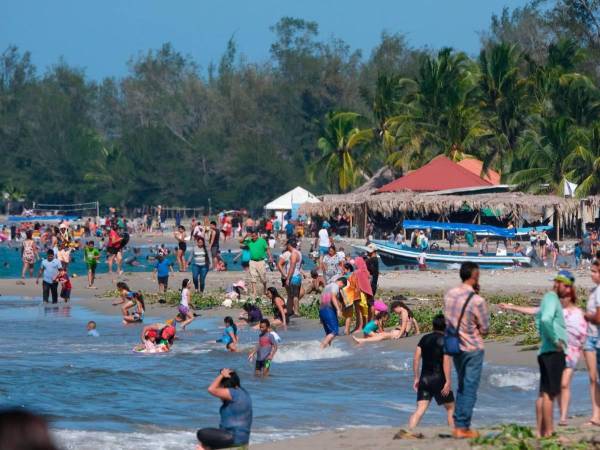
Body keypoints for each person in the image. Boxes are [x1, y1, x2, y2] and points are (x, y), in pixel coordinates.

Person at [499, 270, 571, 438]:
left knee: (543, 393)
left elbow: (534, 311)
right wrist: (556, 341)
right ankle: (549, 431)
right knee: (549, 394)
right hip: (552, 351)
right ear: (559, 283)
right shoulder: (552, 299)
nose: (567, 290)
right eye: (566, 286)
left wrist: (512, 307)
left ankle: (540, 431)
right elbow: (545, 319)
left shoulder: (548, 300)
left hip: (544, 352)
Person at [443, 262, 489, 439]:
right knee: (469, 388)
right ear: (475, 276)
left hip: (455, 346)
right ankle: (462, 426)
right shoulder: (477, 300)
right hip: (472, 347)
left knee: (462, 384)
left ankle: (458, 423)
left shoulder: (450, 295)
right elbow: (485, 328)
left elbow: (449, 320)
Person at [407, 314, 455, 431]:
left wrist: (416, 378)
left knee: (420, 409)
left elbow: (416, 359)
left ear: (433, 325)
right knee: (451, 408)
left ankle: (409, 432)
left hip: (424, 380)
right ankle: (455, 433)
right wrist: (448, 381)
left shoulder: (424, 339)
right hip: (439, 379)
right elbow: (446, 361)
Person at [196, 368, 252, 450]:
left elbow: (211, 389)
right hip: (242, 440)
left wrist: (221, 375)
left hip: (233, 438)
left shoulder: (233, 392)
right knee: (209, 441)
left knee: (202, 433)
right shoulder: (243, 393)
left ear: (225, 385)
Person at [584, 259, 600, 426]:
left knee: (595, 378)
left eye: (595, 272)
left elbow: (598, 317)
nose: (592, 274)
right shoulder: (594, 290)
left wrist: (586, 315)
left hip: (596, 337)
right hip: (590, 336)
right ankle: (596, 415)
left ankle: (597, 415)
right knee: (593, 377)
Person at [240, 229, 273, 297]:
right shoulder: (249, 241)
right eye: (252, 236)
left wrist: (270, 257)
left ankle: (264, 290)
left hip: (261, 261)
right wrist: (246, 235)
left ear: (257, 235)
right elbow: (241, 241)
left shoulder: (262, 241)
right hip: (252, 261)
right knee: (253, 276)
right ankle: (254, 292)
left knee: (263, 278)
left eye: (255, 236)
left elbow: (267, 249)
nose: (254, 238)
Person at [319, 278, 345, 348]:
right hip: (328, 310)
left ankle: (327, 349)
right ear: (341, 283)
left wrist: (321, 317)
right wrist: (338, 310)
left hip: (322, 310)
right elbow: (333, 296)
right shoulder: (335, 286)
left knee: (329, 333)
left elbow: (321, 299)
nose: (341, 288)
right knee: (334, 331)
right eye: (342, 286)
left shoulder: (327, 286)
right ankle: (321, 348)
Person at [283, 239, 303, 316]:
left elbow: (292, 266)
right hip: (297, 276)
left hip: (294, 276)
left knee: (294, 295)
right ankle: (293, 311)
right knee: (295, 295)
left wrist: (288, 278)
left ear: (289, 245)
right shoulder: (299, 253)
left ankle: (296, 312)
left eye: (287, 245)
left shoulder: (294, 254)